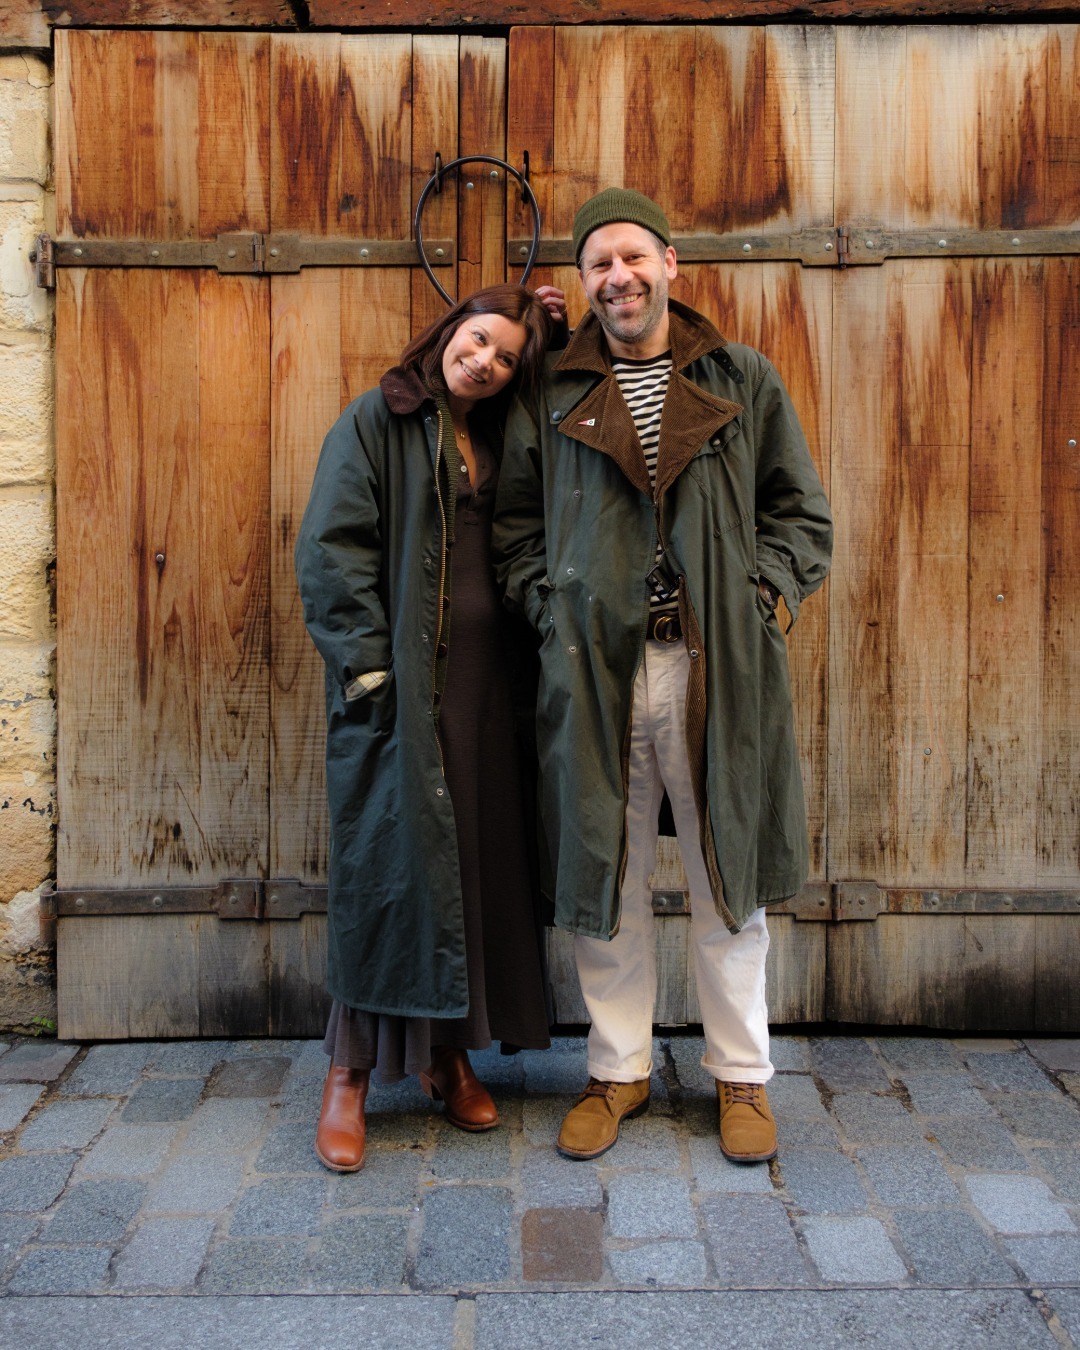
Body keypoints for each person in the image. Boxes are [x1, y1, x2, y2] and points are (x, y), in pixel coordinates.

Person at [493, 188, 833, 1164]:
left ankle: (741, 1079)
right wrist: (544, 604)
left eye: (633, 257)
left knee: (732, 881)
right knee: (611, 870)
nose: (619, 277)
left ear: (671, 264)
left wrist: (763, 600)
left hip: (713, 665)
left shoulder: (742, 378)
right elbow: (515, 527)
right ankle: (619, 1071)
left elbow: (800, 513)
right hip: (595, 670)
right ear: (585, 282)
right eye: (599, 263)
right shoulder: (551, 392)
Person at [296, 282, 565, 1173]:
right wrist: (368, 667)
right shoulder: (379, 417)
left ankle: (449, 1056)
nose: (484, 361)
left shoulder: (497, 428)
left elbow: (557, 423)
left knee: (474, 867)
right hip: (403, 687)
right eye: (478, 340)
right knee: (391, 868)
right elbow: (333, 548)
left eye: (503, 357)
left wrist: (555, 340)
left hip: (490, 689)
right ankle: (349, 1074)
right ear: (450, 329)